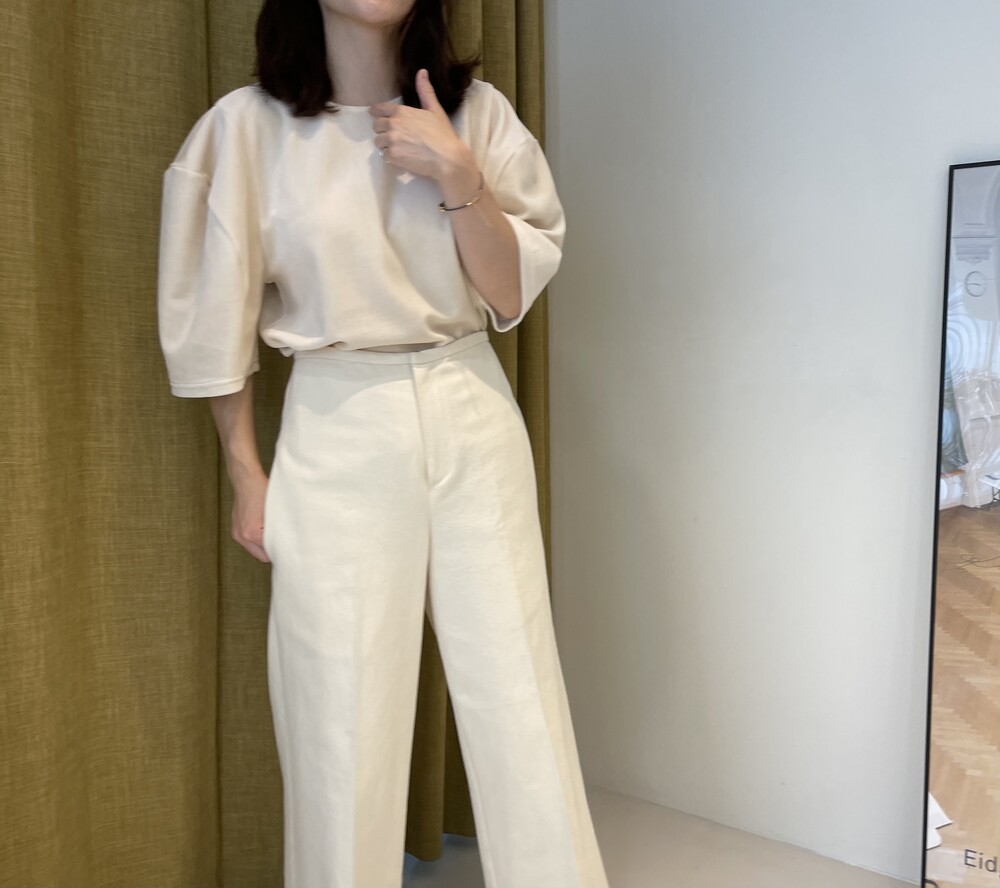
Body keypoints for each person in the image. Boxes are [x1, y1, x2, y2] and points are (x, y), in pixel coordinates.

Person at [156, 0, 611, 886]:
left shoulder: (478, 117)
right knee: (339, 716)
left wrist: (457, 174)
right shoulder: (246, 130)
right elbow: (214, 321)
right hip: (338, 420)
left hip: (471, 402)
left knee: (519, 694)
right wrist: (247, 474)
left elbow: (509, 292)